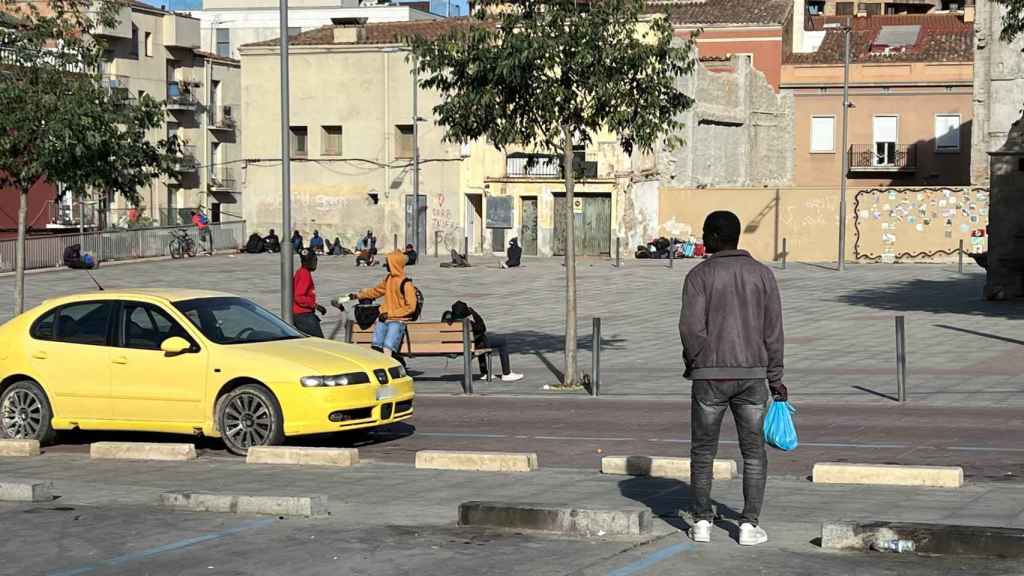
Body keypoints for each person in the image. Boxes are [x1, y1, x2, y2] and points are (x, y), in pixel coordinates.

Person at [679, 210, 785, 547]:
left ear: (712, 237)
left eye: (704, 232)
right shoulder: (763, 275)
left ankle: (700, 522)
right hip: (753, 375)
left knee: (703, 451)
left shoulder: (698, 276)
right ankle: (749, 524)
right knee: (753, 453)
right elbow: (774, 332)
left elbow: (691, 328)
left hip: (709, 376)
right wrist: (775, 376)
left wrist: (695, 361)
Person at [349, 251, 417, 360]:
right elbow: (376, 291)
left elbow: (411, 307)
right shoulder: (389, 279)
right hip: (384, 318)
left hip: (398, 320)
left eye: (388, 262)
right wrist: (358, 295)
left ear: (395, 264)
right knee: (376, 346)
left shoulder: (406, 284)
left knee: (388, 346)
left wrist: (390, 314)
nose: (386, 265)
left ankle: (388, 369)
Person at [443, 301, 523, 382]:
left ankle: (484, 373)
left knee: (480, 340)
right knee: (502, 341)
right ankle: (507, 373)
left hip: (456, 349)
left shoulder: (448, 324)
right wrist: (474, 313)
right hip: (472, 346)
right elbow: (483, 327)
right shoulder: (468, 324)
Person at [292, 248, 326, 337]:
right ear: (309, 261)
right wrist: (315, 305)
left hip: (300, 314)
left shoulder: (301, 272)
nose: (316, 263)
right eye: (315, 260)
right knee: (319, 343)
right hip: (303, 315)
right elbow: (298, 296)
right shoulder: (305, 274)